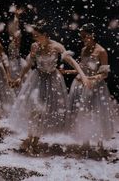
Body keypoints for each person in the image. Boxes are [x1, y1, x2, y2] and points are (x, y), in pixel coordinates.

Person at [11, 22, 90, 153]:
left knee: (43, 111)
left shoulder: (57, 46)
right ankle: (30, 137)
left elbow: (72, 61)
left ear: (46, 35)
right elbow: (29, 63)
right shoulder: (35, 46)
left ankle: (35, 140)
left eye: (37, 36)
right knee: (33, 109)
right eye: (34, 36)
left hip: (52, 80)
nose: (35, 38)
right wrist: (20, 76)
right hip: (37, 78)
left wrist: (82, 75)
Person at [67, 23, 116, 148]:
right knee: (83, 113)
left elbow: (104, 74)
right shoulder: (84, 49)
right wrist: (69, 71)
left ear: (92, 35)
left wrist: (91, 79)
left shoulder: (101, 51)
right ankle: (85, 142)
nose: (82, 39)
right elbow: (82, 68)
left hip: (95, 86)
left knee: (96, 113)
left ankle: (99, 143)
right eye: (81, 37)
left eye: (85, 36)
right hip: (82, 85)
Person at [8, 8, 28, 95]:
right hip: (11, 62)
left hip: (16, 64)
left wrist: (16, 16)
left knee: (18, 83)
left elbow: (16, 28)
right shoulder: (13, 40)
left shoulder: (16, 41)